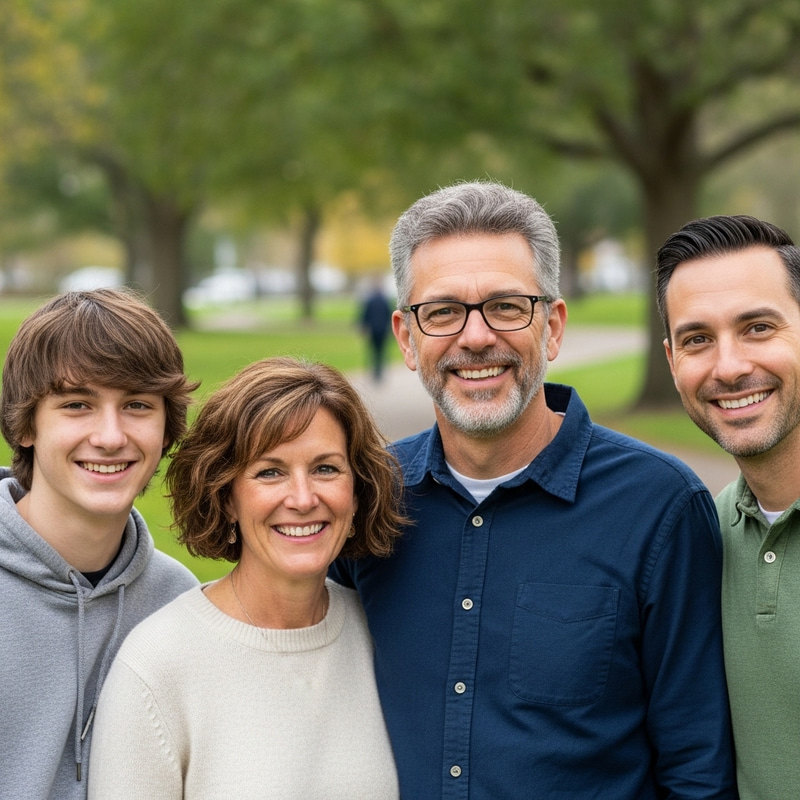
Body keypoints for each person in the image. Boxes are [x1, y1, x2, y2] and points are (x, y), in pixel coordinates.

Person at [330, 180, 737, 798]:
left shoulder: (659, 507)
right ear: (407, 338)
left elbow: (696, 768)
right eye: (442, 311)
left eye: (507, 306)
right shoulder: (365, 499)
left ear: (552, 326)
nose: (475, 337)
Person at [88, 356, 405, 799]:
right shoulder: (158, 665)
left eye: (325, 468)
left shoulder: (383, 635)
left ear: (357, 494)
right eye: (270, 472)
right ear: (228, 498)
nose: (301, 498)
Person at [0, 288, 199, 799]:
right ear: (26, 425)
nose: (110, 436)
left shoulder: (178, 602)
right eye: (77, 405)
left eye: (136, 404)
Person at [656, 214, 800, 799]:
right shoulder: (702, 534)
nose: (730, 366)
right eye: (697, 339)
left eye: (758, 327)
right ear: (671, 363)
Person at [358, 277, 394, 382]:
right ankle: (378, 372)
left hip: (374, 330)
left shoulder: (371, 300)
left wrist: (363, 327)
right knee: (379, 352)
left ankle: (376, 372)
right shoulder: (384, 300)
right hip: (381, 330)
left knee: (375, 352)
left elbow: (365, 315)